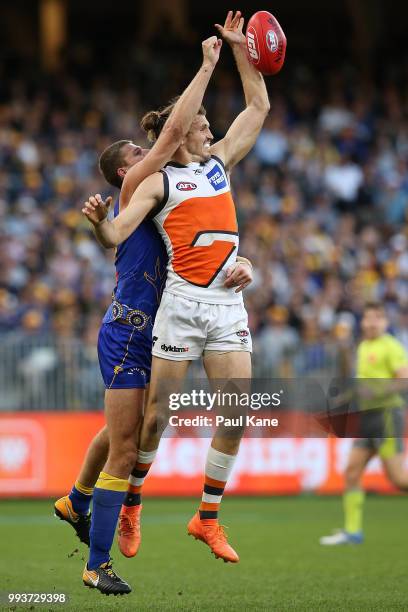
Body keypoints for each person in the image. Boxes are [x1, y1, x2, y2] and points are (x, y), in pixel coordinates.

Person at [84, 10, 269, 571]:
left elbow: (258, 107)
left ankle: (206, 517)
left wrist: (240, 50)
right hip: (180, 306)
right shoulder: (158, 181)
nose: (210, 130)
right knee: (157, 418)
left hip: (225, 304)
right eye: (202, 124)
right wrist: (97, 224)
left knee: (236, 411)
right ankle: (132, 503)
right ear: (182, 127)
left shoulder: (219, 166)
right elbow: (115, 232)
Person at [320, 302, 408, 545]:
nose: (370, 323)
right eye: (367, 318)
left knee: (399, 479)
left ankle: (352, 532)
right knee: (351, 471)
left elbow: (403, 380)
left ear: (385, 322)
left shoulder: (391, 346)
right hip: (367, 417)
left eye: (376, 318)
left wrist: (377, 391)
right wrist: (343, 398)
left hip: (387, 416)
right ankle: (352, 532)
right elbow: (362, 386)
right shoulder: (363, 346)